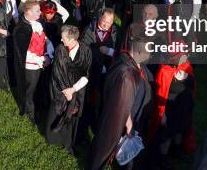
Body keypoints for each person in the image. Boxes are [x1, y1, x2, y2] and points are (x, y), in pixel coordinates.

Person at [87, 28, 152, 170]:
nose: (150, 55)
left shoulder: (129, 61)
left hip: (127, 118)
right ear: (139, 52)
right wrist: (128, 122)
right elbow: (121, 104)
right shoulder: (126, 75)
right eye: (148, 52)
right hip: (119, 122)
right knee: (105, 148)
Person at [45, 25, 92, 154]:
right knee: (58, 111)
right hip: (62, 89)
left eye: (63, 38)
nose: (61, 40)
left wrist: (74, 89)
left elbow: (87, 74)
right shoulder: (61, 49)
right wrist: (67, 91)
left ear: (72, 39)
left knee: (74, 115)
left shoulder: (86, 51)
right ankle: (55, 138)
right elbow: (58, 73)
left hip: (78, 89)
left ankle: (69, 140)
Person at [13, 0, 53, 123]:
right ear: (29, 12)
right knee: (30, 90)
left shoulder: (38, 24)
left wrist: (48, 55)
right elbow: (25, 54)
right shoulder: (21, 29)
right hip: (30, 67)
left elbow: (45, 39)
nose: (40, 13)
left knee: (39, 87)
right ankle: (31, 112)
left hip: (41, 62)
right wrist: (42, 59)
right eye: (37, 11)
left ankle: (40, 107)